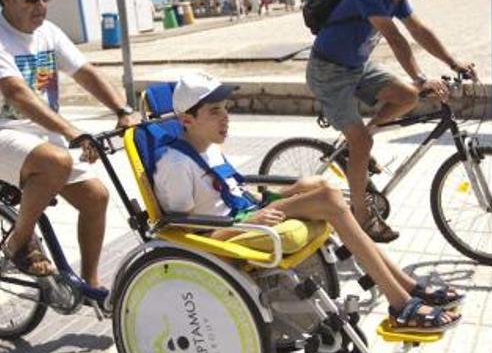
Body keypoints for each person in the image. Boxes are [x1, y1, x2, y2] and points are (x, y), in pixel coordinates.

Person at [153, 72, 464, 333]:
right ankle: (401, 303)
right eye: (214, 112)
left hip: (248, 214)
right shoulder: (175, 165)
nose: (226, 118)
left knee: (319, 184)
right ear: (186, 120)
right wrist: (244, 224)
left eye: (225, 108)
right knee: (328, 197)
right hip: (229, 233)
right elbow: (184, 237)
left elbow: (232, 190)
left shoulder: (208, 148)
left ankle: (407, 288)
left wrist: (287, 194)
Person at [0, 0, 138, 288]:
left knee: (96, 196)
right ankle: (18, 243)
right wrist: (73, 132)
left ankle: (90, 285)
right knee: (56, 160)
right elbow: (17, 94)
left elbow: (85, 72)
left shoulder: (48, 33)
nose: (40, 6)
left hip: (36, 135)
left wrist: (123, 109)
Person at [306, 0, 476, 243]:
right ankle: (361, 216)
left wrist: (453, 62)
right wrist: (421, 78)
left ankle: (355, 146)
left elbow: (419, 31)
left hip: (356, 67)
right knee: (364, 141)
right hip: (328, 72)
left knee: (407, 97)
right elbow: (395, 38)